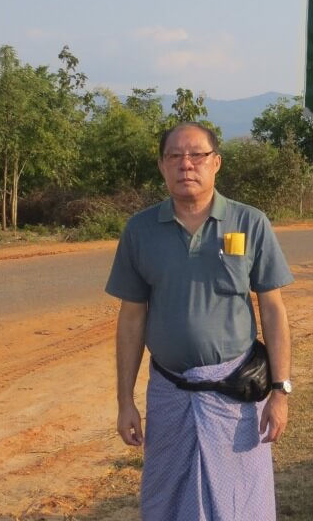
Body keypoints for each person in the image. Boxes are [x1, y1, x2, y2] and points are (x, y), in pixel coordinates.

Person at [105, 122, 294, 521]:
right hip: (169, 392)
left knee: (239, 502)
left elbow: (273, 310)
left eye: (196, 155)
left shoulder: (250, 222)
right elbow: (131, 319)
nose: (185, 165)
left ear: (216, 163)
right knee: (166, 499)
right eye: (174, 156)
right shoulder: (141, 230)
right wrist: (125, 401)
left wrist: (280, 391)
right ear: (161, 166)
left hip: (235, 395)